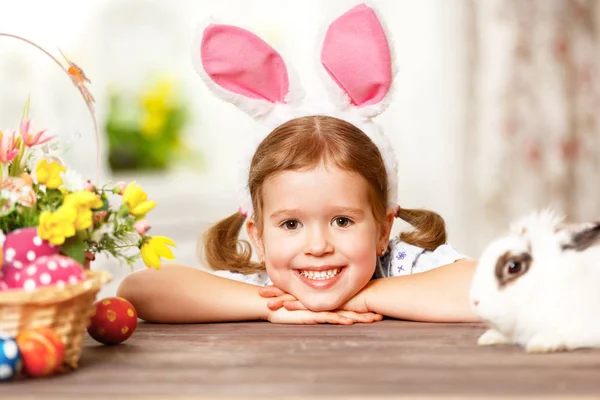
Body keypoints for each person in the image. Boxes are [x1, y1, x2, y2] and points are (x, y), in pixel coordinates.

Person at [117, 3, 479, 325]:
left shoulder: (399, 271)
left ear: (383, 230)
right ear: (258, 237)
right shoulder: (269, 288)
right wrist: (267, 307)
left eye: (342, 220)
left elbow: (490, 285)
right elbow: (141, 289)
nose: (318, 245)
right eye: (291, 224)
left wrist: (368, 296)